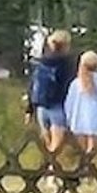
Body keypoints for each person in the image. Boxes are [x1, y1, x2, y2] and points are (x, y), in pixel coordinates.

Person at [28, 29, 75, 157]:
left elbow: (32, 84)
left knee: (50, 147)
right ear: (66, 45)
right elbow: (69, 87)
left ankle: (50, 174)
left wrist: (29, 109)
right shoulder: (67, 64)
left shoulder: (42, 62)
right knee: (57, 146)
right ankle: (50, 173)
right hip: (57, 107)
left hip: (41, 107)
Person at [65, 51, 97, 161]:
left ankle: (85, 169)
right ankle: (87, 169)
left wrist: (69, 119)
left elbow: (69, 103)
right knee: (92, 151)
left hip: (78, 121)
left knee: (84, 151)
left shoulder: (75, 84)